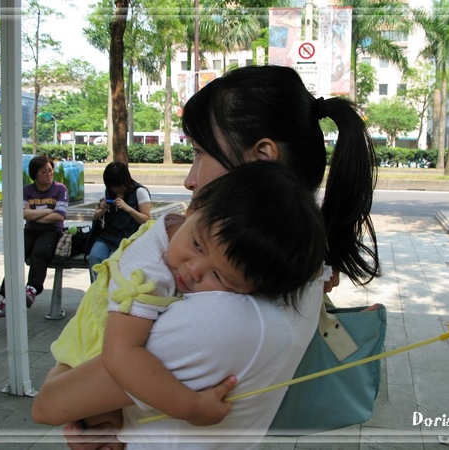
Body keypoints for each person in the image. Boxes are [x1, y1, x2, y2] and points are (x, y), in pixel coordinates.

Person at [31, 65, 381, 449]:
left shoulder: (225, 316)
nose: (189, 178)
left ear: (263, 157)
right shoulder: (284, 268)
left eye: (200, 152)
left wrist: (73, 400)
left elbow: (50, 405)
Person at [34, 161, 330, 448]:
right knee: (102, 422)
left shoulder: (207, 234)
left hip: (105, 348)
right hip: (92, 343)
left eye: (220, 276)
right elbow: (121, 353)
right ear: (195, 208)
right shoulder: (147, 272)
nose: (194, 269)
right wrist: (191, 407)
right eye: (198, 246)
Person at [0, 155, 68, 319]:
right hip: (30, 230)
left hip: (52, 231)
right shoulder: (26, 190)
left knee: (39, 253)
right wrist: (47, 211)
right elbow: (21, 214)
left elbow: (59, 216)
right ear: (35, 175)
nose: (49, 174)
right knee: (16, 254)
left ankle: (31, 289)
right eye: (44, 172)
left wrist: (33, 214)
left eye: (50, 170)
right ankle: (7, 297)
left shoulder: (60, 189)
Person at [88, 162, 151, 280]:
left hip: (130, 237)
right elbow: (95, 216)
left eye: (119, 185)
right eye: (112, 186)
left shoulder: (139, 192)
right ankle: (96, 293)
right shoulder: (108, 192)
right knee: (95, 257)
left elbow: (146, 219)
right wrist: (103, 208)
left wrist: (129, 209)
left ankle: (112, 294)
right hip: (108, 236)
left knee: (113, 261)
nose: (116, 189)